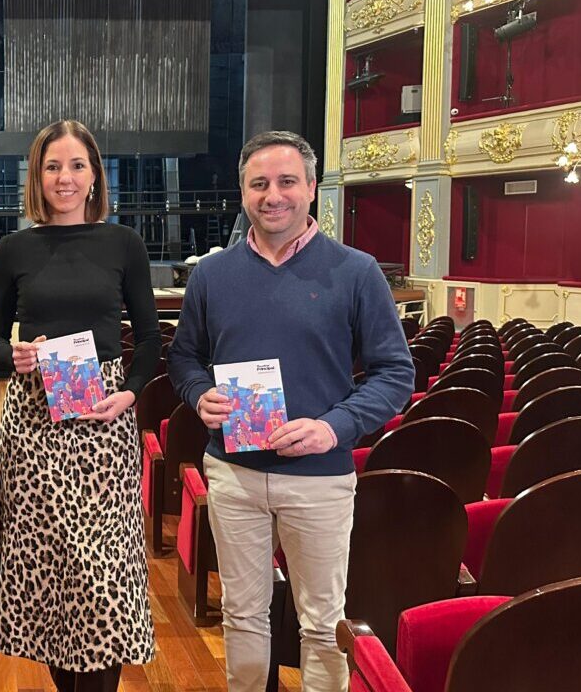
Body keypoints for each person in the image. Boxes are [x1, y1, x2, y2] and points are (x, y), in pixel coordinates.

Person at [167, 131, 414, 692]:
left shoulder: (356, 271)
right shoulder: (211, 275)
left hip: (320, 480)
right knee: (243, 613)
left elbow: (395, 373)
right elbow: (184, 358)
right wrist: (197, 393)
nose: (272, 194)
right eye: (259, 184)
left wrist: (334, 427)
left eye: (285, 182)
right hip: (233, 473)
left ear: (311, 188)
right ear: (243, 192)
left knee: (324, 623)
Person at [0, 119, 160, 692]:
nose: (66, 177)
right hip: (33, 422)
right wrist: (16, 355)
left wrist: (127, 393)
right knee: (48, 576)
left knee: (103, 579)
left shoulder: (124, 244)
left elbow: (151, 340)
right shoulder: (14, 249)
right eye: (53, 166)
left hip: (103, 419)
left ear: (95, 175)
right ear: (37, 176)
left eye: (78, 165)